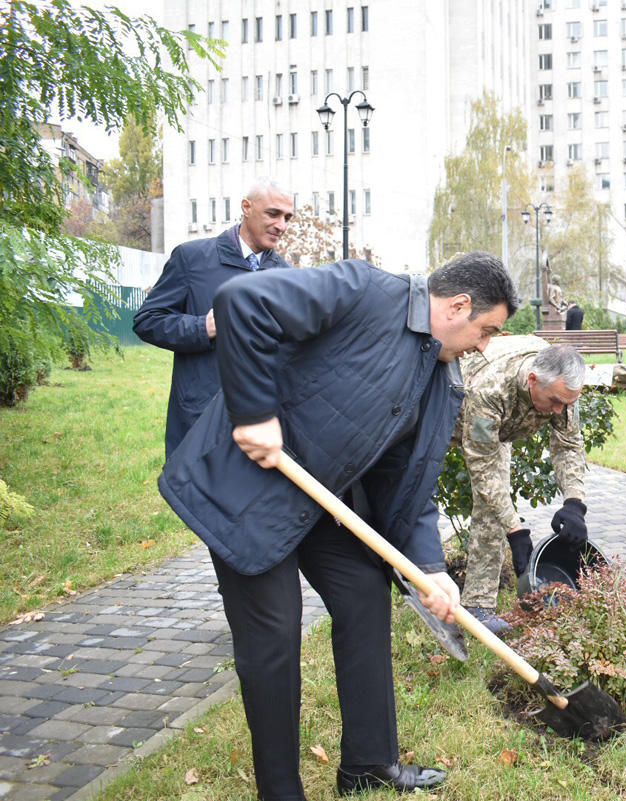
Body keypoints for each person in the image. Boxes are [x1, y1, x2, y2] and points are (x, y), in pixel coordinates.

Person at [157, 252, 518, 799]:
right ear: (458, 306)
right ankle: (281, 792)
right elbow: (240, 302)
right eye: (486, 330)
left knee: (364, 596)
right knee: (275, 635)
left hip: (324, 500)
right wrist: (254, 413)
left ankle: (369, 765)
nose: (485, 344)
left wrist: (430, 568)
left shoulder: (441, 377)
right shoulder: (364, 289)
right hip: (249, 487)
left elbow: (409, 482)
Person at [134, 178, 294, 457]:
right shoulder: (192, 258)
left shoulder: (288, 276)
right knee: (196, 498)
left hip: (261, 423)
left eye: (287, 217)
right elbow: (148, 321)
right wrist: (202, 328)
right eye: (273, 214)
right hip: (201, 417)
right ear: (247, 207)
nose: (281, 225)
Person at [454, 336, 589, 633]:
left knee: (492, 509)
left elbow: (569, 444)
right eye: (555, 401)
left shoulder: (561, 388)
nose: (559, 410)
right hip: (450, 417)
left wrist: (575, 504)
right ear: (532, 380)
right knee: (488, 498)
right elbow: (482, 464)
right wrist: (516, 530)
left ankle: (477, 607)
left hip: (497, 432)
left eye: (566, 403)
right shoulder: (491, 389)